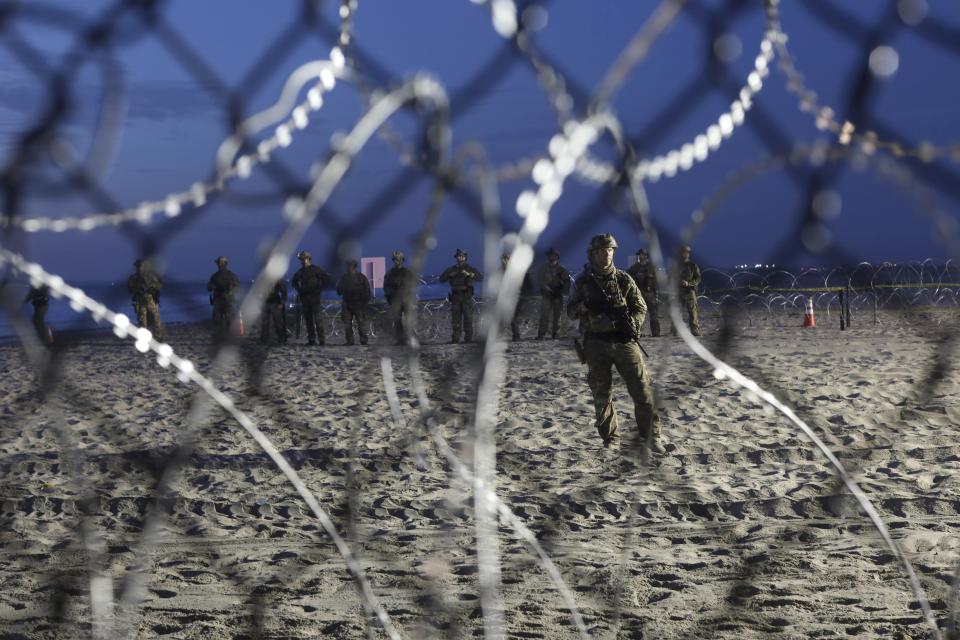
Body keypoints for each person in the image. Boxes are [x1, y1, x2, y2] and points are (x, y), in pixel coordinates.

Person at [567, 234, 663, 453]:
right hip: (596, 343)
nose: (607, 253)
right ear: (593, 253)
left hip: (624, 341)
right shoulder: (582, 282)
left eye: (610, 250)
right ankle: (611, 439)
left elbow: (641, 306)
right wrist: (585, 306)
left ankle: (652, 436)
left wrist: (632, 326)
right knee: (602, 394)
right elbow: (570, 312)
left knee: (642, 389)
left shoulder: (623, 279)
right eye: (602, 250)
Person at [439, 248, 483, 343]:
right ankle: (455, 339)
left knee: (468, 318)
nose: (460, 258)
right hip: (455, 296)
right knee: (456, 319)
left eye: (462, 256)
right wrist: (450, 275)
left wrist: (470, 274)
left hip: (466, 295)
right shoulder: (452, 269)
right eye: (459, 256)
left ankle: (468, 339)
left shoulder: (470, 268)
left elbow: (480, 277)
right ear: (456, 257)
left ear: (465, 258)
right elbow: (441, 279)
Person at [291, 250, 330, 346]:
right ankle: (312, 340)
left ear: (308, 259)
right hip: (305, 299)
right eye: (301, 259)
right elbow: (294, 282)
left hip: (315, 299)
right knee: (308, 322)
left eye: (304, 259)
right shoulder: (300, 272)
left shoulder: (316, 269)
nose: (303, 261)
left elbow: (326, 279)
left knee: (318, 321)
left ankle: (322, 340)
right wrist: (299, 290)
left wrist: (319, 288)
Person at [126, 259, 165, 340]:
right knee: (142, 322)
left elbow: (159, 285)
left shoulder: (150, 276)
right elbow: (129, 289)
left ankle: (158, 337)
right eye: (138, 266)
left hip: (151, 300)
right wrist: (137, 289)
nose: (140, 268)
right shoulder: (133, 278)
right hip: (140, 301)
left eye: (141, 266)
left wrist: (153, 288)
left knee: (156, 320)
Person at [536, 247, 570, 339]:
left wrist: (561, 290)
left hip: (557, 296)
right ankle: (541, 335)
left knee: (557, 317)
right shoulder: (543, 268)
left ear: (557, 257)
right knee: (544, 316)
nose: (551, 257)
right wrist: (545, 287)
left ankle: (555, 334)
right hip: (547, 295)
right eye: (550, 255)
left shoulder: (562, 269)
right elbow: (540, 280)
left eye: (553, 255)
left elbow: (567, 282)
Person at [501, 253, 536, 341]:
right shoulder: (500, 271)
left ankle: (516, 336)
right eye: (503, 259)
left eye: (507, 259)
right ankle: (514, 336)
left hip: (516, 297)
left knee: (513, 317)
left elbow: (525, 284)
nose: (505, 261)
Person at [335, 259, 371, 345]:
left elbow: (367, 292)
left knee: (361, 324)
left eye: (349, 265)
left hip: (359, 304)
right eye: (347, 265)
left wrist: (364, 304)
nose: (347, 267)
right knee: (347, 324)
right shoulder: (344, 278)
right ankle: (350, 341)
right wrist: (338, 286)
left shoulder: (361, 277)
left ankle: (363, 340)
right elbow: (339, 291)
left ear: (354, 266)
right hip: (347, 304)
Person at [383, 250, 415, 345]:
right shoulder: (389, 273)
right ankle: (401, 339)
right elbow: (386, 287)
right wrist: (389, 297)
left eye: (397, 259)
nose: (396, 261)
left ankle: (411, 338)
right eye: (394, 259)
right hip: (395, 299)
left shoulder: (407, 272)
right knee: (397, 321)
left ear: (402, 260)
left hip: (405, 299)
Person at [627, 248, 660, 337]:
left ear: (647, 256)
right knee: (638, 313)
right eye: (641, 254)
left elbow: (658, 280)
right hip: (639, 293)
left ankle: (656, 333)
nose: (642, 256)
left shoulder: (652, 267)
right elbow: (627, 277)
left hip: (650, 293)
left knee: (654, 314)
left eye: (644, 255)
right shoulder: (635, 267)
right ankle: (637, 332)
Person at [207, 256, 241, 337]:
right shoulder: (230, 275)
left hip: (221, 300)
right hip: (224, 300)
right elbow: (238, 286)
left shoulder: (215, 276)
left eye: (219, 263)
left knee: (220, 320)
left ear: (222, 264)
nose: (218, 265)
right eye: (218, 263)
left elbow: (209, 288)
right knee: (227, 320)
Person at [674, 244, 702, 336]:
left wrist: (688, 283)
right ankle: (675, 330)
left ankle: (694, 329)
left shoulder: (693, 265)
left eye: (687, 253)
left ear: (689, 254)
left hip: (690, 291)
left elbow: (698, 279)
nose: (685, 254)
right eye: (683, 252)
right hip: (679, 291)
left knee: (693, 311)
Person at [260, 278, 288, 345]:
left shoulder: (277, 279)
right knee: (265, 323)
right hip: (265, 303)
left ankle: (282, 340)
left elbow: (284, 292)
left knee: (278, 323)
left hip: (275, 303)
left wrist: (281, 303)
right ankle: (264, 340)